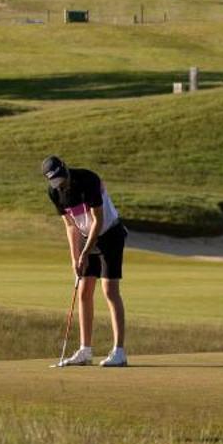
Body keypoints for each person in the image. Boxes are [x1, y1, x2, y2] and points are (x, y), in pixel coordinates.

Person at [41, 154, 128, 367]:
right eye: (55, 181)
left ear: (66, 170)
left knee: (109, 290)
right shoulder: (54, 193)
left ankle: (119, 352)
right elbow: (70, 225)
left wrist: (85, 252)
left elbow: (97, 220)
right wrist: (75, 258)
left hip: (109, 234)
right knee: (84, 291)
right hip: (86, 237)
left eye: (61, 178)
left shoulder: (88, 179)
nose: (60, 183)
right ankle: (85, 351)